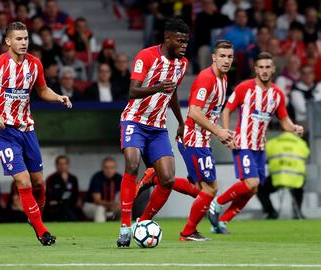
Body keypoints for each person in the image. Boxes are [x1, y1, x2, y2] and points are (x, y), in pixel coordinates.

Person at [0, 22, 72, 245]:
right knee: (23, 180)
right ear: (8, 41)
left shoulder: (35, 65)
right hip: (3, 131)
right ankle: (41, 231)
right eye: (18, 39)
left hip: (27, 129)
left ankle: (34, 217)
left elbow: (42, 90)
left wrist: (58, 97)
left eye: (26, 38)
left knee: (38, 183)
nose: (24, 42)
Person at [208, 52, 304, 234]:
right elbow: (227, 110)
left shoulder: (277, 94)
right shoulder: (244, 88)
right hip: (243, 143)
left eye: (268, 67)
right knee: (251, 183)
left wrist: (294, 128)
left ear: (273, 69)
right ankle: (217, 203)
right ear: (256, 69)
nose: (265, 71)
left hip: (260, 147)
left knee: (252, 189)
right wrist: (229, 134)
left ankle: (221, 223)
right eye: (261, 67)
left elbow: (284, 120)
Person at [117, 18, 189, 247]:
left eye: (186, 41)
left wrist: (180, 121)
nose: (184, 46)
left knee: (167, 179)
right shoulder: (146, 56)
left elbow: (173, 93)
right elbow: (132, 91)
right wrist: (158, 87)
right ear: (167, 39)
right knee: (131, 164)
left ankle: (144, 222)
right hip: (134, 121)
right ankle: (125, 227)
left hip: (158, 127)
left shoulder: (182, 64)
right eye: (180, 41)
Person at [177, 40, 234, 241]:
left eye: (229, 56)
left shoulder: (223, 78)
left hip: (201, 139)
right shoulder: (206, 78)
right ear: (214, 57)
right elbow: (193, 111)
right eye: (222, 56)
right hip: (193, 139)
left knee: (199, 190)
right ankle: (188, 232)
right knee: (211, 188)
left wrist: (222, 132)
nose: (226, 60)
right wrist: (219, 131)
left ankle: (157, 179)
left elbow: (211, 112)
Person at [257, 132, 310, 219]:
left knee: (260, 188)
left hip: (277, 179)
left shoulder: (273, 143)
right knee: (299, 188)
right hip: (295, 179)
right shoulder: (301, 144)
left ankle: (271, 213)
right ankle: (297, 212)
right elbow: (306, 154)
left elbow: (265, 153)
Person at [84, 157, 122, 223]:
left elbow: (121, 197)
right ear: (102, 168)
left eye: (112, 167)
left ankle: (125, 231)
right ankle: (99, 231)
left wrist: (118, 205)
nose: (109, 170)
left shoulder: (119, 178)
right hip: (92, 206)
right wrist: (111, 205)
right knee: (100, 208)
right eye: (106, 167)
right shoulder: (97, 177)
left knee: (125, 209)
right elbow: (97, 201)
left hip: (112, 206)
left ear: (115, 168)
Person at [45, 155, 80, 221]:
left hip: (70, 205)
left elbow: (75, 195)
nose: (62, 166)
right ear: (56, 165)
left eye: (64, 164)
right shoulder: (51, 178)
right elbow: (51, 195)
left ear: (67, 165)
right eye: (60, 164)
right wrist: (63, 183)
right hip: (55, 206)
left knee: (70, 209)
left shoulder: (73, 178)